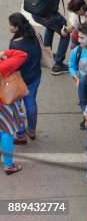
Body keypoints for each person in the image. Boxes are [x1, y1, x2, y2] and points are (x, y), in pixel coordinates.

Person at [29, 0, 80, 75]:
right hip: (48, 14)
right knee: (65, 32)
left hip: (36, 11)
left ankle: (47, 56)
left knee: (50, 27)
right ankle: (58, 64)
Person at [8, 13, 41, 142]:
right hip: (35, 76)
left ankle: (20, 133)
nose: (9, 27)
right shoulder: (35, 35)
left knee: (16, 106)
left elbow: (12, 65)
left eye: (11, 25)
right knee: (31, 102)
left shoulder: (15, 44)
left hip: (19, 80)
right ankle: (32, 130)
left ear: (16, 27)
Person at [0, 48, 27, 175]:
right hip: (3, 104)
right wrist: (5, 53)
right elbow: (22, 54)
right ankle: (8, 164)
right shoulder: (3, 66)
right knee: (6, 132)